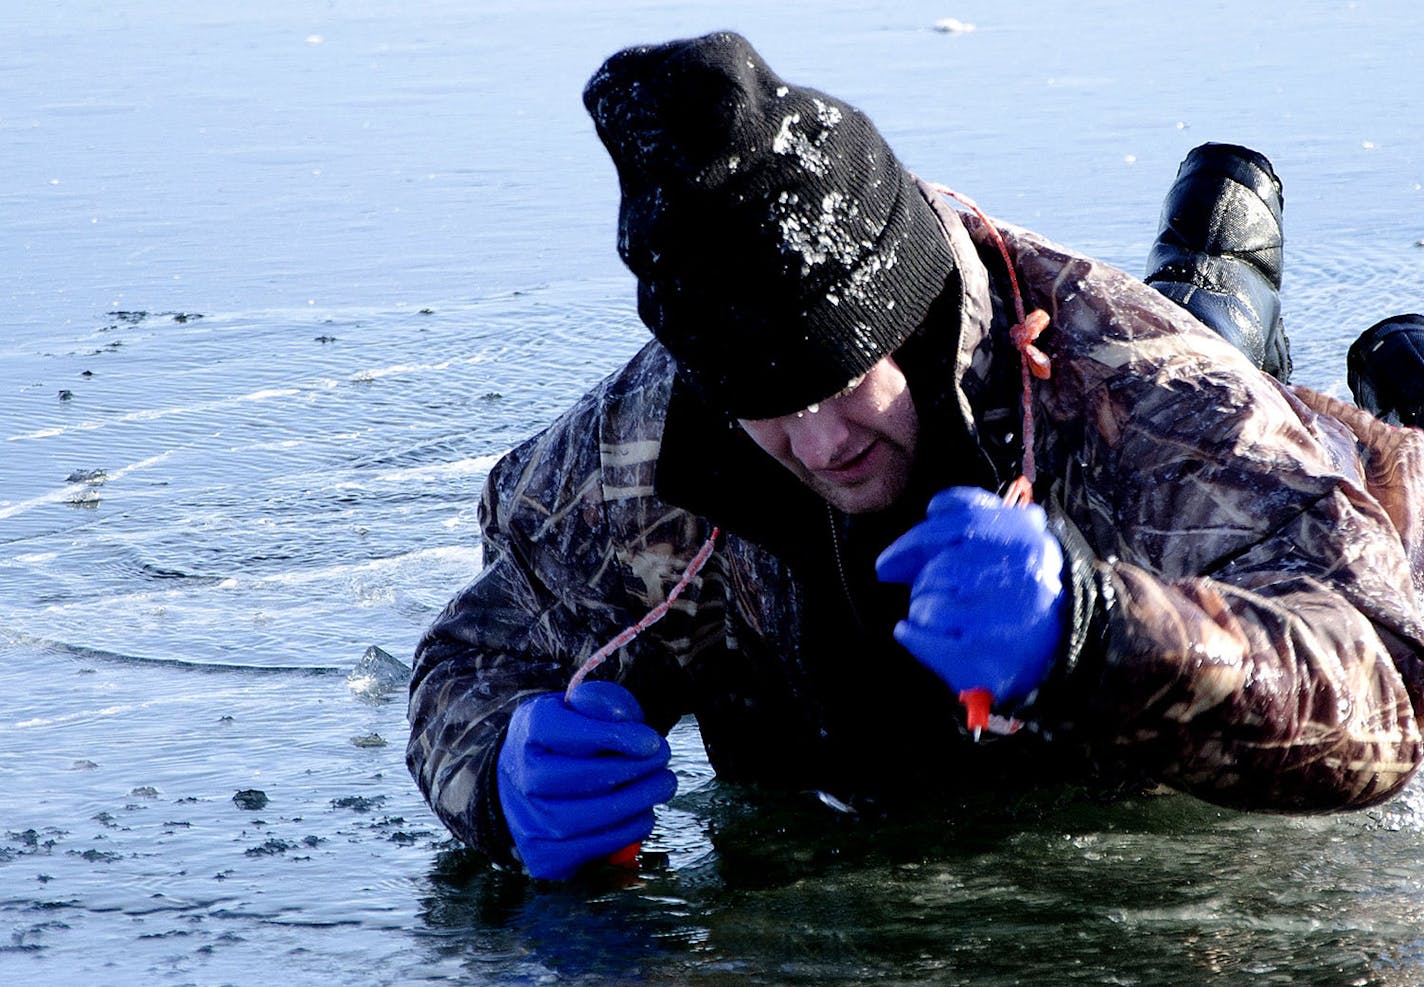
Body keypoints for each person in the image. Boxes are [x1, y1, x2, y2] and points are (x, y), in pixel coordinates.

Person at [406, 31, 1424, 881]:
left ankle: (1241, 276)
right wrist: (499, 775)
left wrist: (1103, 633)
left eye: (845, 379)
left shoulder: (1149, 394)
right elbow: (479, 653)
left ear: (916, 323)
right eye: (765, 406)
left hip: (1307, 466)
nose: (819, 440)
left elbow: (1387, 679)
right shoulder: (643, 437)